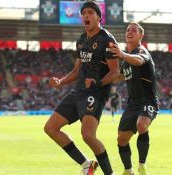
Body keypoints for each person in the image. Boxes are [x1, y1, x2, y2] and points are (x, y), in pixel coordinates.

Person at [44, 1, 119, 175]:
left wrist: (97, 83)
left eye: (90, 12)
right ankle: (87, 164)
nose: (86, 15)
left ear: (99, 17)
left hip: (96, 92)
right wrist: (60, 82)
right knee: (51, 128)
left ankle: (110, 173)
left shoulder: (107, 40)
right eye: (83, 13)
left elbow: (115, 72)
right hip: (78, 91)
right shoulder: (82, 39)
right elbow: (77, 70)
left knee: (87, 135)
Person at [111, 22, 159, 175]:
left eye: (133, 30)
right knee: (121, 139)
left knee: (142, 125)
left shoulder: (142, 51)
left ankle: (142, 166)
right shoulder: (126, 61)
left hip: (148, 100)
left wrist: (123, 54)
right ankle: (128, 170)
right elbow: (119, 76)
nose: (129, 32)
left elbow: (139, 60)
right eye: (127, 30)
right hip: (132, 104)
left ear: (140, 35)